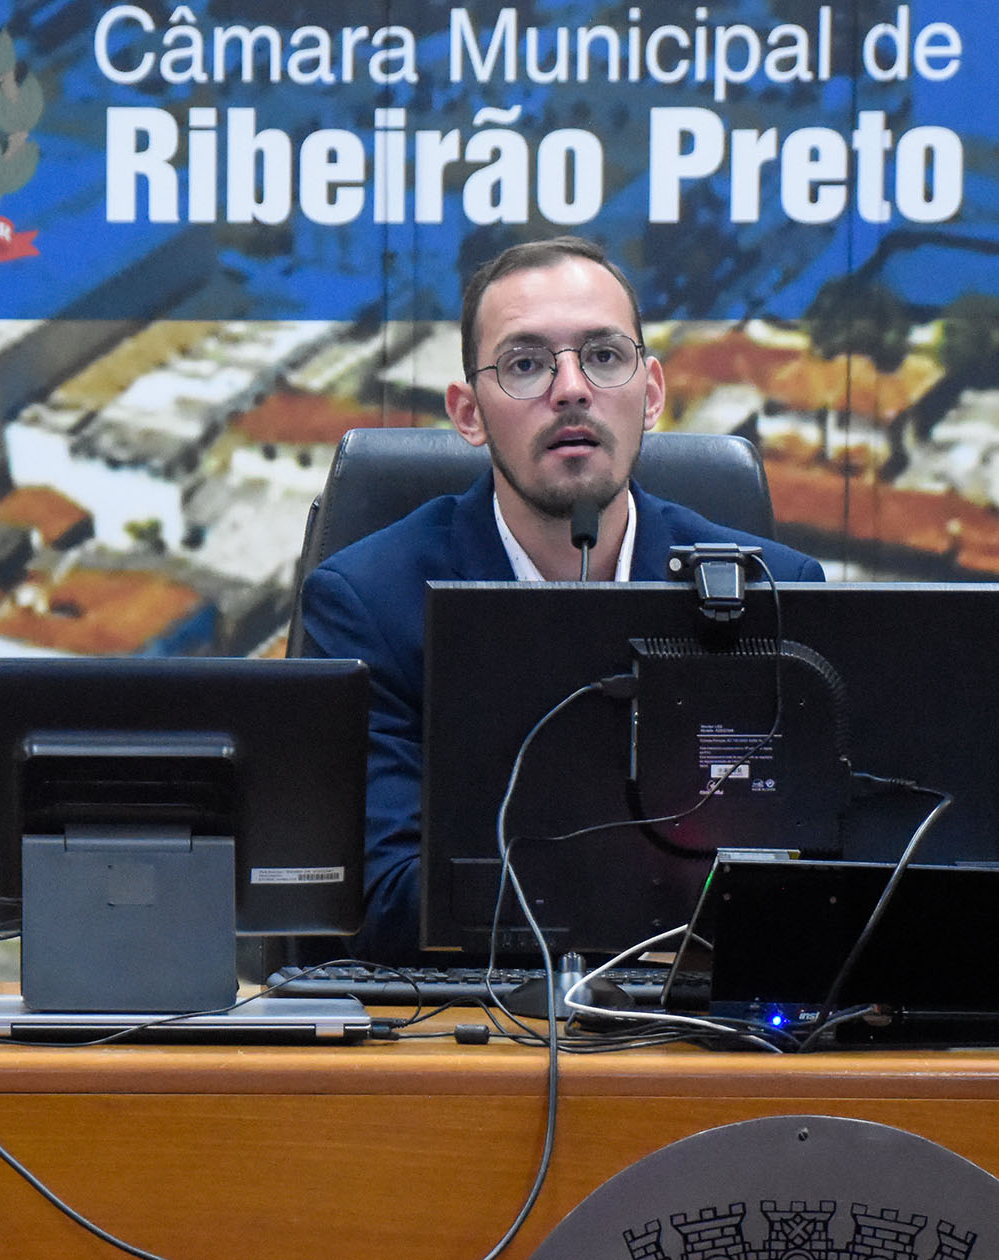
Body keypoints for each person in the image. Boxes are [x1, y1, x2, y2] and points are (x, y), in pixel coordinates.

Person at [297, 236, 825, 964]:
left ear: (653, 391)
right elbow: (377, 900)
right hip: (462, 1043)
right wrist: (670, 900)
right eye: (525, 364)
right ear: (468, 413)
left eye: (604, 356)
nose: (571, 388)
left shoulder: (778, 593)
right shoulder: (369, 603)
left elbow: (817, 882)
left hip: (701, 1043)